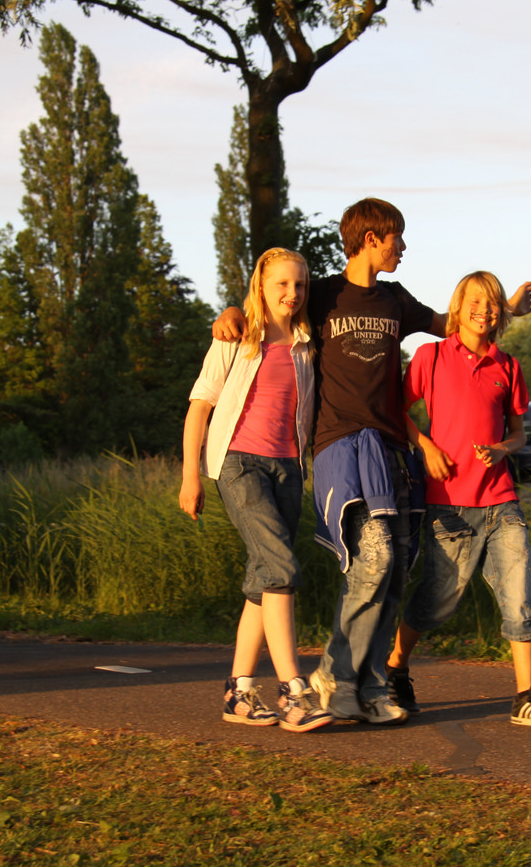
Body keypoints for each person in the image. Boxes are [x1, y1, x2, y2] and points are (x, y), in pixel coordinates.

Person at [212, 198, 531, 725]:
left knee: (394, 570)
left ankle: (367, 685)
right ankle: (333, 676)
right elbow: (271, 308)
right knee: (374, 556)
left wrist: (507, 310)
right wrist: (230, 314)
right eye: (397, 238)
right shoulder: (323, 294)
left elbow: (452, 323)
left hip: (391, 447)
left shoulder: (395, 299)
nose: (402, 247)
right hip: (340, 442)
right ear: (371, 239)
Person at [390, 271, 531, 729]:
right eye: (475, 301)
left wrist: (503, 449)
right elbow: (395, 410)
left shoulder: (508, 367)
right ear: (457, 305)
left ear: (500, 311)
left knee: (519, 592)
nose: (483, 310)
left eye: (491, 303)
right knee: (438, 600)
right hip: (448, 504)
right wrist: (425, 448)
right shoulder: (430, 357)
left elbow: (518, 433)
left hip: (501, 500)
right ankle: (395, 668)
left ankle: (525, 696)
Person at [179, 247, 333, 734]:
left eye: (300, 284)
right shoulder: (237, 335)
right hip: (239, 464)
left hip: (289, 468)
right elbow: (200, 407)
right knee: (282, 568)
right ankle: (294, 692)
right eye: (282, 284)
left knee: (262, 579)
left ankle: (239, 693)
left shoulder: (306, 342)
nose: (292, 293)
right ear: (261, 287)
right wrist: (190, 476)